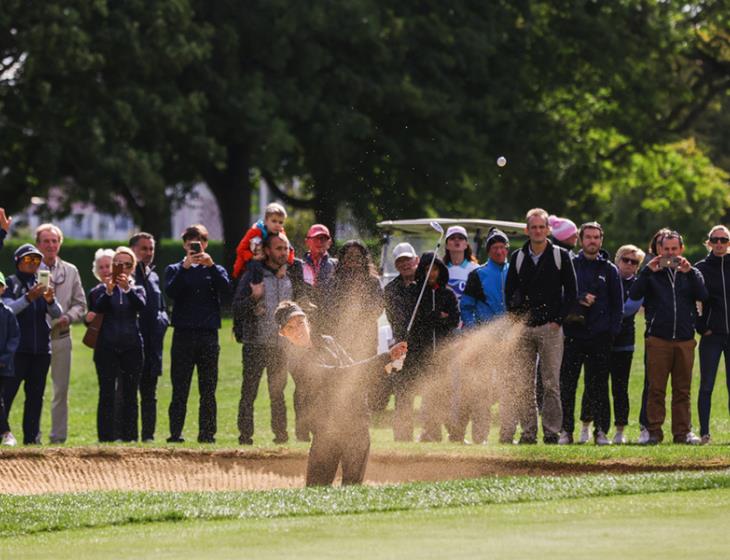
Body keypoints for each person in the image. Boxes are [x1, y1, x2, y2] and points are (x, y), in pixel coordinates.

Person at [276, 300, 407, 486]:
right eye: (290, 327)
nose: (298, 329)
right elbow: (338, 376)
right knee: (316, 490)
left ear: (307, 322)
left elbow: (356, 375)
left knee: (353, 487)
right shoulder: (297, 361)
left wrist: (389, 367)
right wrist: (385, 358)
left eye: (300, 322)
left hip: (356, 421)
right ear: (283, 333)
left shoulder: (328, 342)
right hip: (326, 429)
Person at [504, 208, 577, 444]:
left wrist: (558, 320)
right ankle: (527, 433)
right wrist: (516, 320)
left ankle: (551, 432)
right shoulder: (518, 257)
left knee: (550, 383)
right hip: (524, 328)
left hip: (551, 328)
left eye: (541, 227)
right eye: (533, 227)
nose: (537, 231)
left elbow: (572, 292)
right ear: (527, 230)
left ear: (548, 229)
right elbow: (509, 292)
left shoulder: (560, 256)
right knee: (524, 384)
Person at [629, 230, 707, 444]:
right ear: (659, 250)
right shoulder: (651, 273)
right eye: (666, 249)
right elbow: (634, 295)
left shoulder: (692, 273)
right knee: (656, 389)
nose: (670, 253)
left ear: (681, 249)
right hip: (658, 339)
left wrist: (689, 272)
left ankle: (682, 433)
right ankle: (654, 432)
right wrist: (646, 272)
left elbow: (703, 296)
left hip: (684, 339)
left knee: (682, 390)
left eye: (674, 249)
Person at [557, 222, 622, 445]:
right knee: (568, 385)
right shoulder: (571, 265)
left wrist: (611, 333)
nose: (592, 241)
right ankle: (566, 431)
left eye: (596, 237)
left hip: (600, 337)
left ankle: (601, 431)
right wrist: (579, 298)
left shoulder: (610, 269)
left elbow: (618, 305)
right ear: (581, 240)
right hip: (573, 335)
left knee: (599, 387)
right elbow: (561, 295)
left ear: (601, 240)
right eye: (588, 237)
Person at [165, 224, 231, 443]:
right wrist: (185, 268)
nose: (196, 246)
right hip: (183, 333)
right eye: (191, 242)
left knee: (208, 387)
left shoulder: (216, 269)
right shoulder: (175, 269)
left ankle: (207, 434)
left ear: (206, 244)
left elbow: (226, 291)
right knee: (180, 386)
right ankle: (175, 433)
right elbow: (171, 292)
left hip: (208, 334)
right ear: (185, 245)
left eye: (200, 241)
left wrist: (211, 267)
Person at [233, 233, 300, 445]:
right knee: (249, 392)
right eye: (278, 248)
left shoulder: (291, 276)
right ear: (268, 251)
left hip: (281, 346)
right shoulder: (253, 276)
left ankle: (281, 437)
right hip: (255, 344)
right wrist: (253, 299)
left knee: (277, 393)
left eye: (285, 248)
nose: (283, 253)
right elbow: (236, 309)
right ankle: (245, 437)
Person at [2, 244, 63, 445]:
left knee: (36, 397)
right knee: (6, 395)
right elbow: (9, 309)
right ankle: (4, 433)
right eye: (28, 259)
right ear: (18, 261)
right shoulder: (9, 283)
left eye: (36, 260)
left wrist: (51, 300)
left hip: (41, 351)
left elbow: (57, 314)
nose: (32, 264)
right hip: (16, 351)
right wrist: (29, 298)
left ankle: (32, 439)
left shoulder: (41, 284)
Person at [35, 224, 87, 444]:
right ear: (38, 244)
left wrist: (69, 317)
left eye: (54, 241)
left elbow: (81, 304)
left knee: (60, 391)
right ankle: (32, 436)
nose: (50, 245)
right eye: (46, 241)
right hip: (36, 339)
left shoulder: (71, 270)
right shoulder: (30, 269)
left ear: (60, 243)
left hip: (61, 337)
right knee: (35, 390)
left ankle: (58, 438)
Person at [458, 227, 510, 444]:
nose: (499, 251)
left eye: (502, 247)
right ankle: (480, 436)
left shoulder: (515, 270)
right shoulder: (477, 274)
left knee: (509, 388)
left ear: (507, 249)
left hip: (509, 339)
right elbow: (466, 306)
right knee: (482, 390)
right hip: (485, 339)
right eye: (495, 247)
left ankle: (507, 436)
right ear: (489, 250)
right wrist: (474, 331)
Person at [89, 247, 146, 442]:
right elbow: (97, 307)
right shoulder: (99, 291)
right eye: (119, 264)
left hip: (132, 346)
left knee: (130, 393)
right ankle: (105, 438)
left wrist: (127, 289)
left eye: (127, 265)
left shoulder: (138, 289)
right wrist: (110, 289)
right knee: (107, 393)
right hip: (107, 347)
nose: (123, 268)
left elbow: (141, 306)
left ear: (132, 268)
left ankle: (130, 437)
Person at [404, 252, 460, 442]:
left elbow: (454, 320)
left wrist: (436, 318)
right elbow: (417, 320)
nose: (431, 273)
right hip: (422, 352)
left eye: (435, 269)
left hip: (444, 353)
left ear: (440, 271)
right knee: (427, 393)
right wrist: (437, 316)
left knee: (443, 395)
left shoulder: (448, 294)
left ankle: (446, 432)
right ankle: (429, 432)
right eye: (427, 269)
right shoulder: (415, 293)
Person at [129, 232, 169, 441]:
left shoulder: (153, 275)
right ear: (133, 250)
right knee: (128, 393)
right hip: (132, 343)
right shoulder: (127, 274)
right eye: (143, 248)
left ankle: (148, 436)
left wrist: (163, 320)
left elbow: (161, 306)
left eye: (151, 249)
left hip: (153, 344)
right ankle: (128, 436)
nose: (148, 253)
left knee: (149, 394)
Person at [694, 225, 730, 445]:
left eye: (723, 240)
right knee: (706, 385)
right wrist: (701, 326)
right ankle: (705, 433)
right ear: (708, 242)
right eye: (715, 240)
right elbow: (692, 300)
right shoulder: (701, 268)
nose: (719, 243)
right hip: (711, 335)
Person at [608, 244, 645, 444]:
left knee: (620, 388)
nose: (629, 264)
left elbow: (629, 309)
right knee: (595, 386)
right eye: (625, 260)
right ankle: (594, 428)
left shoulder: (638, 284)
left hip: (624, 342)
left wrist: (606, 313)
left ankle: (620, 430)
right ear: (618, 260)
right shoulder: (607, 278)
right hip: (602, 341)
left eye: (634, 262)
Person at [383, 242, 419, 440]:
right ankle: (403, 437)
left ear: (416, 260)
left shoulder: (425, 285)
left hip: (423, 347)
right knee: (403, 392)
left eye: (408, 259)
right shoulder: (390, 289)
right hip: (401, 347)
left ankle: (431, 436)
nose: (405, 264)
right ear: (396, 265)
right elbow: (394, 319)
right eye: (400, 261)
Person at [288, 224, 337, 332]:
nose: (319, 242)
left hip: (330, 324)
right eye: (315, 239)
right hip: (304, 322)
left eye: (323, 239)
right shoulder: (297, 266)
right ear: (307, 242)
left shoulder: (336, 265)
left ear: (329, 243)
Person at [231, 202, 295, 281]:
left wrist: (285, 265)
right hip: (246, 268)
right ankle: (256, 286)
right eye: (274, 221)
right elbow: (240, 250)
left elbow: (290, 250)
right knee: (256, 262)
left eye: (280, 222)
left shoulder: (281, 233)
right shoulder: (255, 231)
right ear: (266, 220)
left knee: (296, 263)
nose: (277, 225)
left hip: (268, 264)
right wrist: (253, 256)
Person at [0, 272, 20, 446]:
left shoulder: (7, 313)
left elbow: (13, 339)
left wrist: (4, 359)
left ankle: (6, 433)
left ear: (3, 289)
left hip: (3, 366)